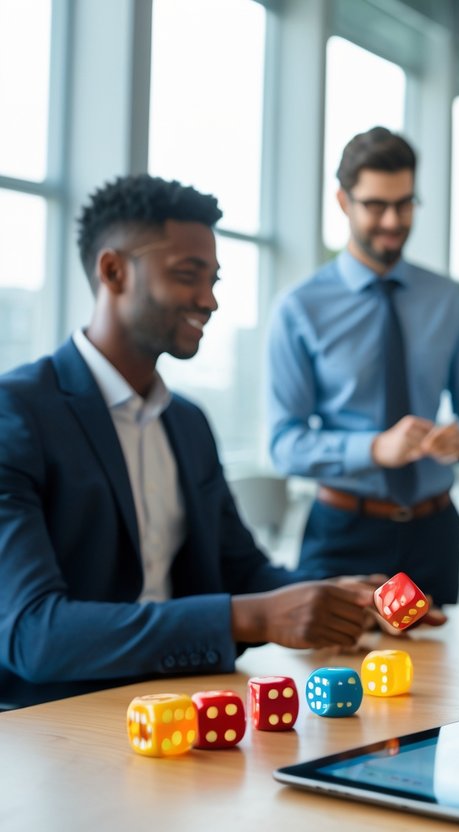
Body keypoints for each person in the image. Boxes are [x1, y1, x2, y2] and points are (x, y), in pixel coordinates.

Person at [0, 175, 381, 709]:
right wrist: (250, 616)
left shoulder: (187, 422)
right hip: (55, 722)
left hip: (183, 706)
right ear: (113, 271)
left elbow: (242, 570)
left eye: (214, 280)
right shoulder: (16, 412)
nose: (209, 300)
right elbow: (32, 634)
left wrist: (339, 596)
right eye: (187, 276)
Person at [268, 127, 459, 610]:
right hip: (343, 535)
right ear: (343, 201)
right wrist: (375, 448)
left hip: (435, 531)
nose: (393, 221)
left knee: (441, 681)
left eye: (405, 203)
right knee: (332, 681)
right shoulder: (299, 308)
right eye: (375, 205)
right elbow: (283, 442)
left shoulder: (448, 299)